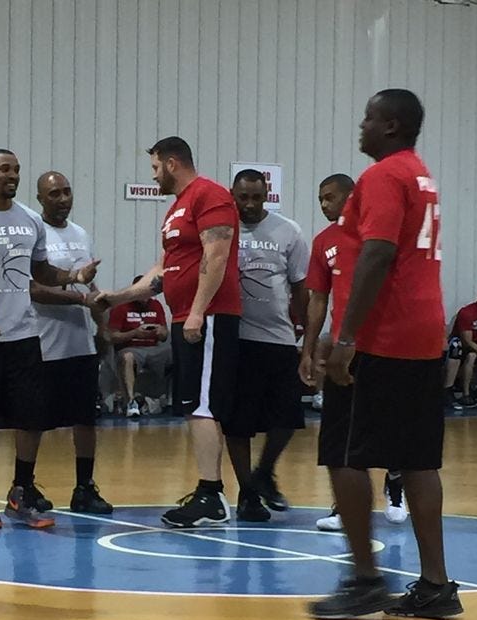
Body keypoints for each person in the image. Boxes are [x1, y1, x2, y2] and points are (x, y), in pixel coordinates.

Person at [311, 88, 463, 620]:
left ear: (392, 125)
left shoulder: (382, 176)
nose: (362, 124)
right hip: (423, 332)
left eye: (370, 118)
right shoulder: (421, 174)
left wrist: (347, 337)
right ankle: (436, 587)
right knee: (417, 459)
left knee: (345, 453)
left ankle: (365, 580)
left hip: (383, 336)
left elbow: (377, 254)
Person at [0, 149, 98, 530]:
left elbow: (39, 270)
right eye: (4, 169)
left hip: (25, 336)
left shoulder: (29, 220)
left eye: (16, 170)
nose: (12, 176)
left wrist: (74, 277)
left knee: (30, 420)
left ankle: (20, 493)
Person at [96, 136, 242, 528]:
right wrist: (115, 297)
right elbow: (164, 272)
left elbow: (217, 255)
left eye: (156, 168)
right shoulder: (176, 210)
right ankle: (211, 491)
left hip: (207, 318)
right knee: (197, 407)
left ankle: (211, 495)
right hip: (185, 317)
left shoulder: (208, 195)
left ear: (173, 163)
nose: (155, 176)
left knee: (203, 407)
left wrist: (197, 313)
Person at [299, 173, 408, 533]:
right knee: (341, 432)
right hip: (341, 349)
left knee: (387, 423)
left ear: (352, 196)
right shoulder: (322, 242)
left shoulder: (376, 234)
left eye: (330, 196)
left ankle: (395, 484)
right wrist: (309, 349)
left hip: (383, 344)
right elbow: (317, 299)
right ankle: (342, 505)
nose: (324, 204)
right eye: (320, 198)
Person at [225, 169, 309, 521]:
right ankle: (247, 493)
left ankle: (264, 472)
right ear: (233, 195)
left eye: (256, 197)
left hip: (278, 338)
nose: (249, 204)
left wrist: (302, 324)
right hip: (236, 339)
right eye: (242, 197)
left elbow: (301, 285)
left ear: (266, 194)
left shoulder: (289, 231)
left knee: (288, 415)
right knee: (238, 423)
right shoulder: (221, 230)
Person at [31, 171, 113, 514]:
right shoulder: (35, 233)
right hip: (43, 341)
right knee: (33, 420)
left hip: (80, 343)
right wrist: (79, 300)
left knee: (85, 419)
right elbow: (33, 289)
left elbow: (89, 290)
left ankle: (84, 487)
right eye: (54, 194)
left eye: (67, 192)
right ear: (41, 199)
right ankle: (25, 486)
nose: (63, 199)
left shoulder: (80, 234)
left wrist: (102, 327)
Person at [106, 276, 171, 417]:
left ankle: (176, 401)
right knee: (127, 357)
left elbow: (165, 335)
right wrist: (134, 333)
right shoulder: (121, 307)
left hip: (155, 349)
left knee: (178, 353)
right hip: (131, 348)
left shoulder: (156, 306)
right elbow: (112, 337)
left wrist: (161, 331)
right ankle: (131, 402)